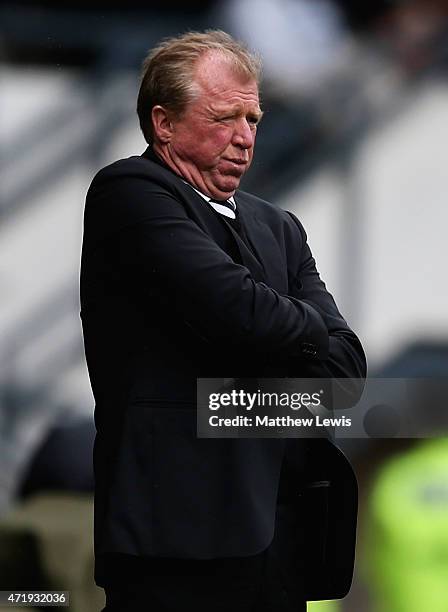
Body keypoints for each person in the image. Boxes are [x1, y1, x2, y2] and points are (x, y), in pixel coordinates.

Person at [80, 29, 366, 612]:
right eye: (224, 118)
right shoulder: (131, 191)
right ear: (163, 124)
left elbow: (347, 369)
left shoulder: (278, 225)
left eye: (254, 120)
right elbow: (239, 313)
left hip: (282, 538)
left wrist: (273, 344)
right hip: (177, 540)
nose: (244, 139)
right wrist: (306, 331)